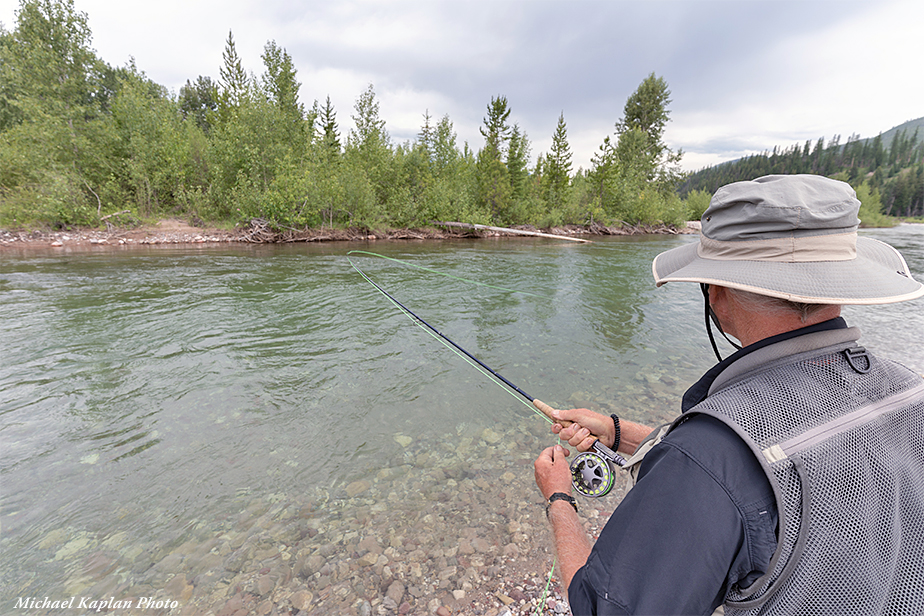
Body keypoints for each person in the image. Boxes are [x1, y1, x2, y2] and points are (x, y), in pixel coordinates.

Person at [533, 174, 924, 615]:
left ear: (715, 290)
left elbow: (602, 608)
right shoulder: (909, 389)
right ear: (840, 282)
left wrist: (559, 497)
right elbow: (791, 458)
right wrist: (616, 432)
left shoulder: (706, 456)